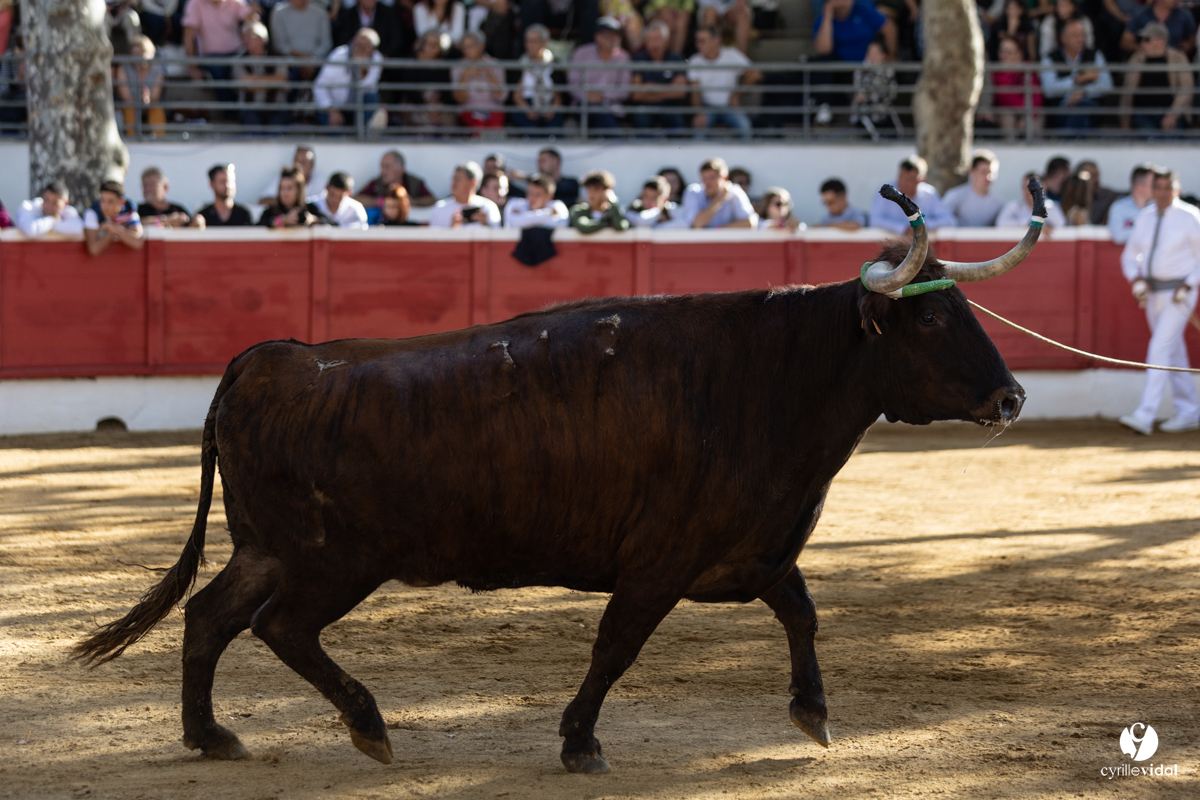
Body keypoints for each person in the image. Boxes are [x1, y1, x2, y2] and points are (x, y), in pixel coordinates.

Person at [1118, 168, 1200, 435]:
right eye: (1159, 187)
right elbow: (1130, 257)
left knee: (1160, 347)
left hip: (1181, 293)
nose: (1163, 193)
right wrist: (1136, 280)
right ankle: (1189, 410)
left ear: (1176, 189)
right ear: (1152, 190)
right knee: (1172, 350)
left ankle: (1145, 413)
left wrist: (1189, 284)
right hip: (1153, 293)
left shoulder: (1190, 217)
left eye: (1168, 187)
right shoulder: (1146, 216)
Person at [811, 0, 896, 125]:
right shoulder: (823, 18)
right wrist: (828, 15)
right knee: (822, 63)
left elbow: (890, 28)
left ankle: (879, 118)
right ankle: (825, 109)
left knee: (884, 70)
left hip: (868, 66)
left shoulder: (863, 10)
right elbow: (823, 50)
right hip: (840, 69)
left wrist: (891, 55)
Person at [1040, 18, 1113, 131]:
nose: (1080, 39)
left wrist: (1083, 91)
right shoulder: (1050, 59)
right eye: (1075, 35)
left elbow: (1107, 84)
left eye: (1082, 35)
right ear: (1063, 38)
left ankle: (1069, 143)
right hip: (1062, 109)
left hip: (1091, 107)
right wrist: (1078, 79)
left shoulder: (1095, 55)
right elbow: (1049, 89)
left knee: (1082, 106)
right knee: (1079, 113)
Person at [688, 25, 759, 140]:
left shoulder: (731, 55)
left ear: (716, 41)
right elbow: (695, 92)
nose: (698, 44)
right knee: (698, 132)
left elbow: (755, 75)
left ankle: (744, 158)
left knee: (745, 127)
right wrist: (698, 112)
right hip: (707, 107)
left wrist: (737, 95)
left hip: (729, 106)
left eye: (703, 40)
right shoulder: (694, 60)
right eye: (697, 40)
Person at [1120, 22, 1192, 134]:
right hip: (1143, 115)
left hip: (1172, 113)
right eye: (1142, 39)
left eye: (1147, 39)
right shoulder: (1136, 59)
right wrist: (1125, 120)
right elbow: (1127, 92)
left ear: (1161, 41)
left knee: (1172, 144)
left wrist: (1172, 115)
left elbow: (1186, 88)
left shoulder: (1178, 58)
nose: (1143, 43)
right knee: (1149, 142)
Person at [182, 0, 256, 107]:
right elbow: (188, 36)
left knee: (246, 69)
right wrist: (193, 68)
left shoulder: (235, 2)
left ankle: (247, 112)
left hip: (236, 54)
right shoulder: (195, 3)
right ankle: (231, 112)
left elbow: (253, 23)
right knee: (218, 71)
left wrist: (253, 14)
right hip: (210, 58)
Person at [314, 28, 385, 130]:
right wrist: (331, 109)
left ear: (373, 49)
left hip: (357, 108)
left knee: (372, 98)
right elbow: (319, 86)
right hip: (333, 107)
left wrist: (361, 69)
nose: (358, 49)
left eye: (364, 47)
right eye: (357, 44)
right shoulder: (338, 55)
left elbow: (368, 87)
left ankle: (366, 132)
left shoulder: (376, 59)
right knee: (333, 127)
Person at [569, 17, 631, 132]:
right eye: (608, 35)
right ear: (597, 37)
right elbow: (573, 84)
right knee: (599, 113)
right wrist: (587, 95)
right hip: (584, 106)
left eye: (616, 35)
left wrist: (603, 96)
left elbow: (624, 91)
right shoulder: (581, 53)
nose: (613, 39)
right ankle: (613, 142)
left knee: (602, 114)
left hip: (612, 109)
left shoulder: (623, 57)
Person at [869, 156, 957, 235]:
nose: (903, 182)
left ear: (921, 180)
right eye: (901, 176)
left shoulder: (929, 194)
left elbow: (949, 221)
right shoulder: (886, 192)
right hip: (893, 248)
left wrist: (921, 226)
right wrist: (903, 228)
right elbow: (875, 220)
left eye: (909, 179)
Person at [629, 20, 688, 132]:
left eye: (657, 39)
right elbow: (636, 94)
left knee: (677, 123)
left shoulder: (676, 59)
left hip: (669, 108)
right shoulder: (638, 58)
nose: (654, 44)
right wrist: (668, 89)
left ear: (666, 41)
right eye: (650, 40)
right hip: (645, 108)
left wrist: (651, 88)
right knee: (640, 120)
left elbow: (680, 92)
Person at [981, 33, 1044, 137]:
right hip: (1006, 112)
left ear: (1019, 54)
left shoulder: (1027, 70)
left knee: (1035, 122)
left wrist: (1027, 116)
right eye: (1002, 51)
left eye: (1009, 52)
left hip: (1029, 111)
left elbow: (1037, 98)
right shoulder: (995, 73)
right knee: (1007, 117)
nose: (1004, 55)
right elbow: (1003, 98)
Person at [397, 31, 455, 133]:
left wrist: (439, 104)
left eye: (435, 44)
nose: (432, 47)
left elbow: (447, 90)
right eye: (429, 43)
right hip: (416, 104)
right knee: (421, 120)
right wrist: (425, 106)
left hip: (438, 105)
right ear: (422, 45)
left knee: (448, 120)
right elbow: (409, 90)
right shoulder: (412, 63)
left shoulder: (443, 64)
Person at [235, 22, 289, 128]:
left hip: (276, 108)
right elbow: (246, 86)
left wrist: (254, 81)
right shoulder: (239, 60)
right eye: (244, 37)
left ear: (262, 39)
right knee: (253, 131)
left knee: (275, 132)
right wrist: (273, 81)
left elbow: (283, 80)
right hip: (250, 109)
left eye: (250, 36)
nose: (246, 40)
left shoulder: (278, 57)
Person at [511, 24, 564, 133]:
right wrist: (528, 110)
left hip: (549, 104)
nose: (530, 45)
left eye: (534, 41)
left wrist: (551, 110)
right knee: (529, 129)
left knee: (554, 128)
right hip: (526, 105)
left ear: (544, 42)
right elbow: (516, 95)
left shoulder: (554, 64)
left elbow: (559, 95)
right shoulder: (519, 64)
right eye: (528, 41)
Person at [680, 157, 757, 229]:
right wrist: (719, 199)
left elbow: (750, 223)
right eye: (704, 178)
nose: (708, 183)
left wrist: (719, 229)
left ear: (724, 178)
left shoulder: (735, 191)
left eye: (712, 178)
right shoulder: (693, 192)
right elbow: (697, 224)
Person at [451, 30, 507, 129]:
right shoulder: (458, 67)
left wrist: (489, 74)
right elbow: (459, 100)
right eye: (464, 46)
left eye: (470, 46)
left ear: (481, 46)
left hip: (492, 110)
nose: (466, 50)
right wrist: (465, 76)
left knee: (495, 127)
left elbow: (502, 97)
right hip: (469, 110)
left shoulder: (495, 64)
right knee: (478, 126)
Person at [270, 0, 332, 85]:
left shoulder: (321, 13)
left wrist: (311, 61)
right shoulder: (278, 12)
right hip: (290, 62)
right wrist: (305, 59)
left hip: (316, 62)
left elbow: (326, 44)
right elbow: (280, 44)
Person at [116, 35, 167, 138]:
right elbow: (125, 96)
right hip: (131, 103)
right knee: (129, 108)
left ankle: (161, 139)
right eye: (135, 53)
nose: (138, 57)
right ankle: (131, 138)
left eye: (142, 53)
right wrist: (137, 101)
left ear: (151, 53)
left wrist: (147, 99)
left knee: (156, 108)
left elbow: (155, 97)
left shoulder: (157, 70)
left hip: (150, 104)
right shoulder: (124, 69)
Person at [356, 151, 436, 216]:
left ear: (400, 170)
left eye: (387, 167)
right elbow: (356, 199)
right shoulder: (376, 183)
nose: (382, 171)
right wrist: (382, 202)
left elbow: (432, 200)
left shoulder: (414, 183)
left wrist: (413, 202)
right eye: (382, 167)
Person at [429, 161, 501, 228]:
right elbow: (433, 240)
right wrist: (452, 228)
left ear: (473, 182)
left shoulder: (488, 207)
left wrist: (485, 224)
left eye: (458, 179)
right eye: (453, 178)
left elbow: (499, 238)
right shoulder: (440, 208)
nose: (454, 183)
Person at [942, 150, 1004, 227]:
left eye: (992, 173)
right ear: (972, 171)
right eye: (983, 172)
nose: (988, 177)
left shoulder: (998, 203)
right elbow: (942, 219)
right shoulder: (955, 196)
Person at [84, 180, 144, 256]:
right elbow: (94, 249)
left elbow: (138, 242)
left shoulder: (128, 211)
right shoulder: (92, 213)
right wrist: (112, 231)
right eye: (102, 200)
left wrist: (113, 228)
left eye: (110, 201)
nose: (105, 206)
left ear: (121, 202)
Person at [258, 167, 330, 228]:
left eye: (289, 188)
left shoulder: (309, 209)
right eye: (282, 188)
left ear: (299, 191)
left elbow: (333, 224)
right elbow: (257, 227)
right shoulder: (271, 212)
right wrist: (282, 220)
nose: (285, 193)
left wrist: (314, 220)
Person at [1120, 0, 1196, 56]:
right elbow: (1125, 42)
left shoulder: (1185, 15)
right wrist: (1146, 48)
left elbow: (1193, 40)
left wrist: (1188, 45)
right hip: (1145, 58)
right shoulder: (1140, 14)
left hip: (1173, 59)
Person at [996, 171, 1068, 228]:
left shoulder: (1051, 206)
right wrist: (1027, 223)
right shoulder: (1014, 206)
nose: (1029, 191)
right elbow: (1000, 223)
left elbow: (1061, 223)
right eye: (1026, 187)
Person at [1108, 163, 1157, 245]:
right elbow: (1118, 236)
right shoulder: (1119, 207)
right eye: (1153, 185)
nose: (1156, 189)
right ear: (1139, 186)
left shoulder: (1157, 207)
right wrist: (1146, 230)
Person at [138, 167, 203, 228]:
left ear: (165, 187)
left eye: (152, 184)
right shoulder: (137, 210)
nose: (148, 189)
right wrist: (167, 220)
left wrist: (198, 222)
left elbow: (192, 227)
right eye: (145, 185)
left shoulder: (177, 209)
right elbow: (137, 224)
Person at [16, 181, 85, 238]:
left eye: (55, 203)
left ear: (65, 203)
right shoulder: (28, 207)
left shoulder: (69, 211)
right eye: (46, 200)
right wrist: (53, 220)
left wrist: (50, 226)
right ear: (42, 197)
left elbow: (79, 229)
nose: (49, 206)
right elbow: (30, 230)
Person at [504, 173, 570, 228]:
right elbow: (514, 222)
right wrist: (548, 213)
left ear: (549, 197)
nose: (532, 198)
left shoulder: (558, 205)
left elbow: (561, 223)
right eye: (530, 193)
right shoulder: (515, 203)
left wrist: (524, 217)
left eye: (537, 195)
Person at [1074, 159, 1121, 224]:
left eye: (1097, 175)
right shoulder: (1071, 198)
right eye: (1092, 176)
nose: (1096, 180)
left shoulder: (1106, 196)